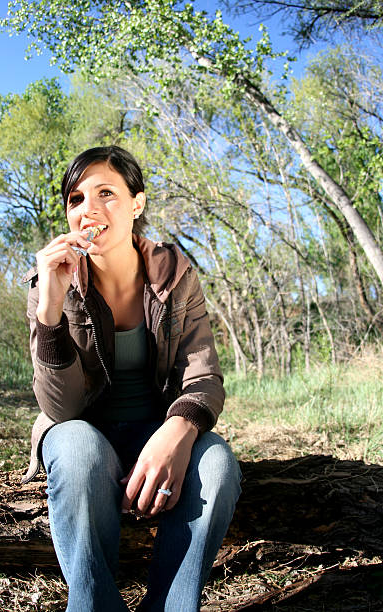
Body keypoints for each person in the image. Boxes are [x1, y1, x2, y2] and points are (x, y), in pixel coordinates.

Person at [22, 145, 241, 612]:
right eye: (76, 198)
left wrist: (177, 432)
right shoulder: (50, 281)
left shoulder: (176, 275)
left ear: (137, 204)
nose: (89, 210)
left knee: (218, 463)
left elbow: (203, 376)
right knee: (77, 448)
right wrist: (50, 313)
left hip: (158, 429)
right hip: (86, 433)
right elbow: (61, 411)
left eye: (107, 193)